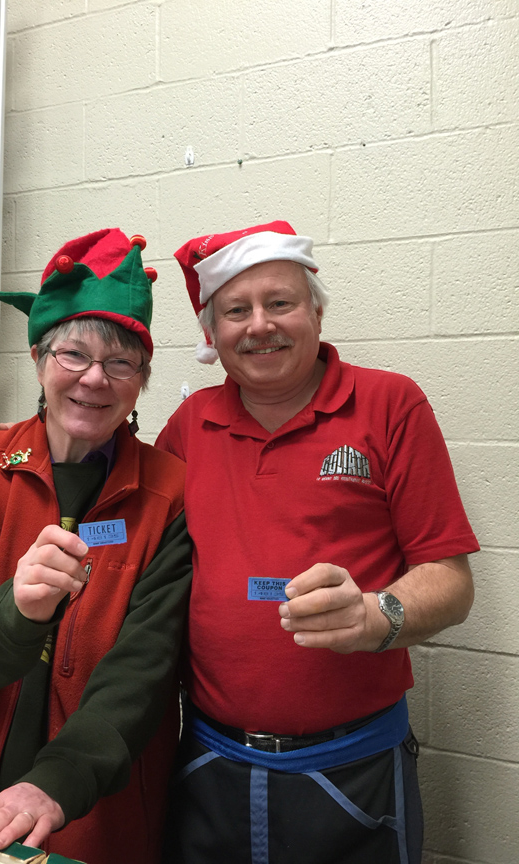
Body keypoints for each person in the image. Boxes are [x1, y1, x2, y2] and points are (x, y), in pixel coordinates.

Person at [153, 221, 479, 864]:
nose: (260, 326)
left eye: (280, 302)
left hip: (355, 769)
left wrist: (376, 616)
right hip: (211, 764)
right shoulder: (191, 425)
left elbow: (450, 578)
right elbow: (120, 507)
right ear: (212, 335)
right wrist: (22, 445)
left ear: (317, 312)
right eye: (236, 311)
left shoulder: (391, 404)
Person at [0, 228, 192, 864]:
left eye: (121, 363)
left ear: (141, 379)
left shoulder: (168, 494)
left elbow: (143, 672)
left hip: (93, 805)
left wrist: (57, 783)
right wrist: (16, 610)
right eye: (73, 355)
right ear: (38, 359)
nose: (95, 379)